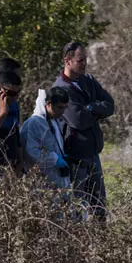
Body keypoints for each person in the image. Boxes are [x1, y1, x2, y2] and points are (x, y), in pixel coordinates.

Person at [52, 41, 115, 219]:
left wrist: (89, 108)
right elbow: (78, 120)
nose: (85, 63)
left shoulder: (88, 81)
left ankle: (101, 244)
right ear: (67, 60)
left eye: (85, 59)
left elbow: (110, 106)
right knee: (79, 208)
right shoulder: (60, 88)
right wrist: (95, 109)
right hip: (75, 158)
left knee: (99, 207)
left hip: (93, 153)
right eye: (80, 60)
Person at [20, 86, 71, 189]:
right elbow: (31, 153)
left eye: (65, 108)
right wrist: (54, 159)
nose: (62, 111)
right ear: (48, 104)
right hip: (39, 181)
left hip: (55, 180)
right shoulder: (34, 123)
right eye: (60, 107)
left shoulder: (53, 120)